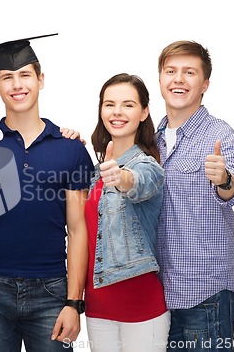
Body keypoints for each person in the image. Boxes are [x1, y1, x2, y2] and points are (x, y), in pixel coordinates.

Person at [0, 34, 94, 351]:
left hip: (50, 290)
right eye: (7, 77)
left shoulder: (70, 148)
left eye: (25, 75)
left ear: (41, 79)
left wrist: (74, 302)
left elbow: (78, 230)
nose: (17, 85)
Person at [155, 40, 234, 352]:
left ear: (205, 83)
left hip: (206, 293)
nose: (178, 79)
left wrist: (224, 178)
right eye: (171, 71)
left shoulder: (220, 135)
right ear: (160, 79)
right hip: (157, 294)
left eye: (189, 72)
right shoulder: (151, 139)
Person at [85, 73, 170, 351]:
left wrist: (121, 177)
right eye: (109, 104)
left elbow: (138, 183)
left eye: (128, 105)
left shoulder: (148, 166)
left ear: (144, 112)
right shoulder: (93, 174)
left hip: (140, 306)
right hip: (97, 308)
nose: (117, 112)